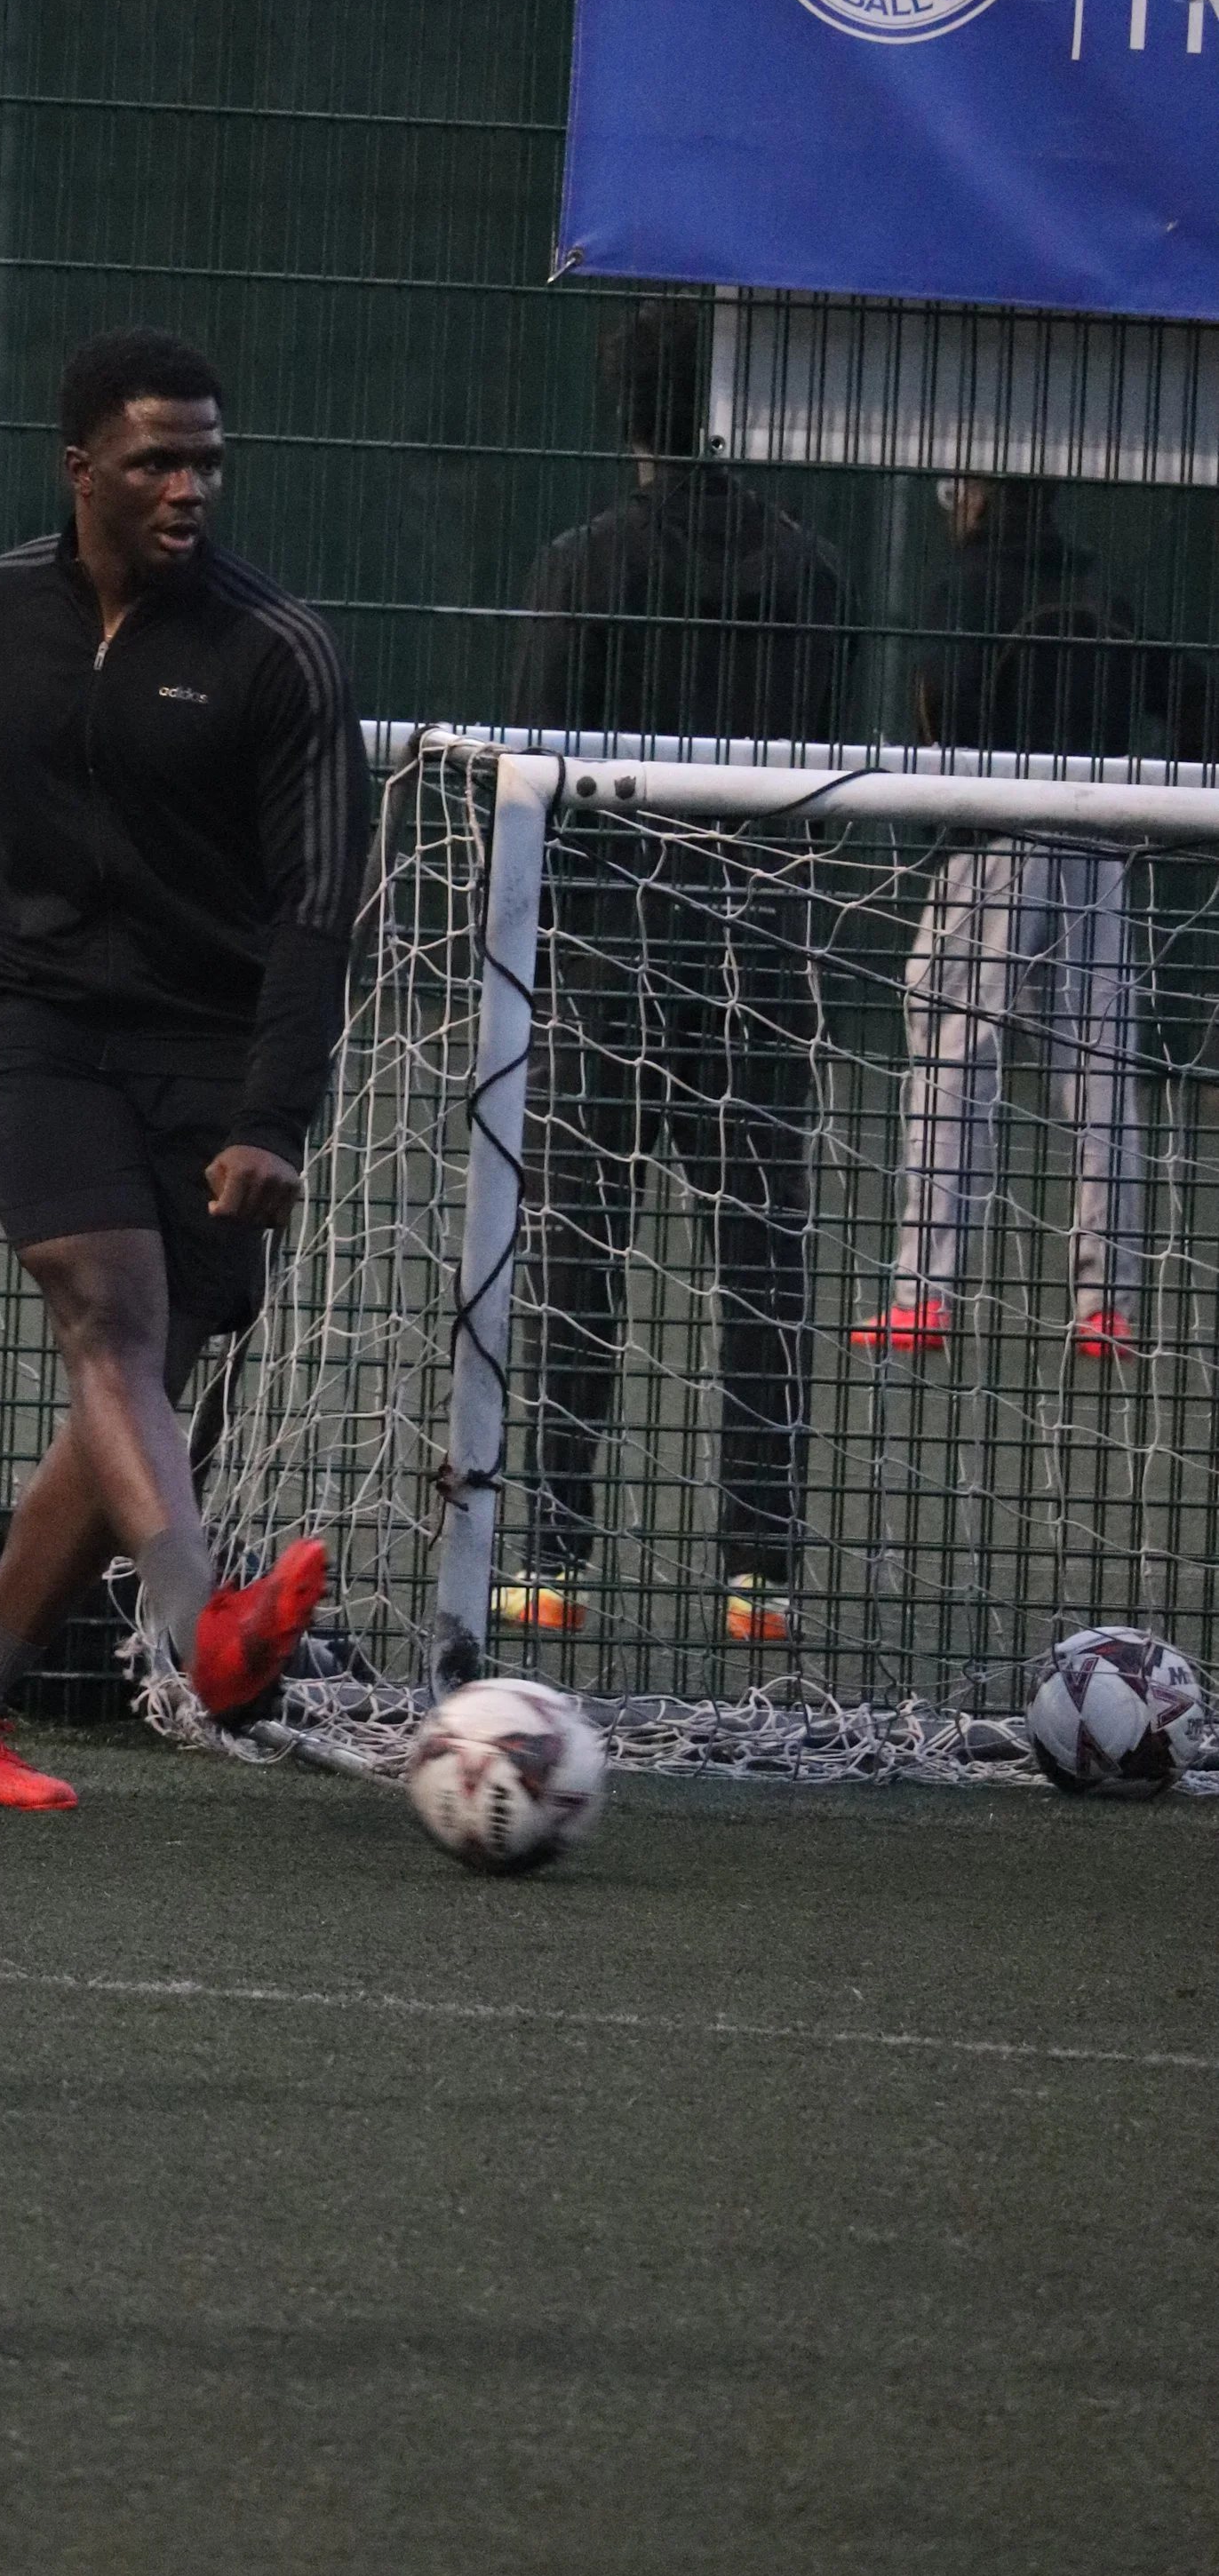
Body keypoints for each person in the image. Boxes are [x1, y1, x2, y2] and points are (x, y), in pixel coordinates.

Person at [0, 327, 368, 1809]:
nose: (189, 489)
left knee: (134, 1393)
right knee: (110, 1315)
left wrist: (270, 1116)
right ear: (80, 465)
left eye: (208, 464)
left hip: (211, 1051)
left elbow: (314, 912)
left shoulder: (276, 653)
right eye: (159, 460)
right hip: (30, 1023)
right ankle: (200, 1628)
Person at [500, 298, 852, 1648]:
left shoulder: (582, 567)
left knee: (577, 1250)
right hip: (759, 947)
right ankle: (759, 1574)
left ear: (623, 415)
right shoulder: (814, 573)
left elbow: (538, 769)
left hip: (610, 954)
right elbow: (823, 773)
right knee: (763, 1261)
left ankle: (552, 1554)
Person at [852, 473, 1207, 1363]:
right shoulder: (1098, 593)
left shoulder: (963, 590)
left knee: (953, 1063)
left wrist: (948, 822)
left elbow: (942, 705)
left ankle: (921, 1294)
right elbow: (1188, 695)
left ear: (978, 495)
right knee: (1097, 1075)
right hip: (1097, 841)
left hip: (994, 843)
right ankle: (1104, 1305)